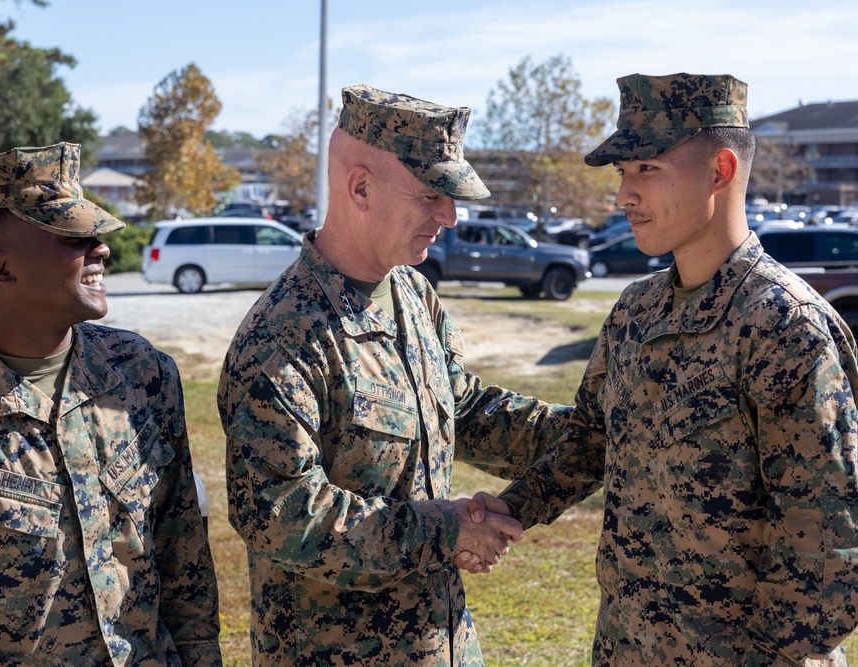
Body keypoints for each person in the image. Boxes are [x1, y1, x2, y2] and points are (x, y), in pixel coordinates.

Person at [471, 72, 858, 664]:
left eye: (646, 169)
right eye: (623, 174)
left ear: (721, 171)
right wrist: (513, 508)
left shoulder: (783, 328)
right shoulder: (635, 310)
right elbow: (590, 443)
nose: (624, 195)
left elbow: (831, 545)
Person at [217, 83, 571, 665]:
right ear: (360, 187)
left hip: (441, 644)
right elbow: (281, 514)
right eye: (432, 194)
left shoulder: (411, 293)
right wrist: (445, 530)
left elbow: (464, 409)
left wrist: (590, 432)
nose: (450, 216)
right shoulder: (282, 338)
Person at [0, 143, 222, 665]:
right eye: (73, 238)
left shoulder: (142, 375)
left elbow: (184, 563)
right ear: (0, 268)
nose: (100, 249)